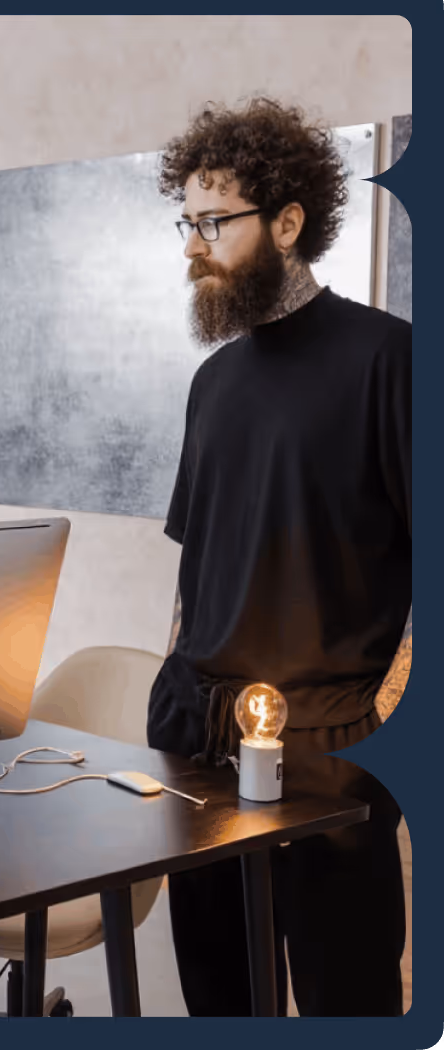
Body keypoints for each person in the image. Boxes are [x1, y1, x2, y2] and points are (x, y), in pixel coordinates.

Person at [147, 98, 411, 1016]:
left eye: (213, 221)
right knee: (218, 1004)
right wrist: (171, 688)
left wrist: (388, 732)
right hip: (198, 747)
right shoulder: (212, 381)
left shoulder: (393, 359)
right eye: (187, 221)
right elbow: (195, 576)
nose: (192, 244)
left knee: (350, 1004)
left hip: (331, 754)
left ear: (288, 222)